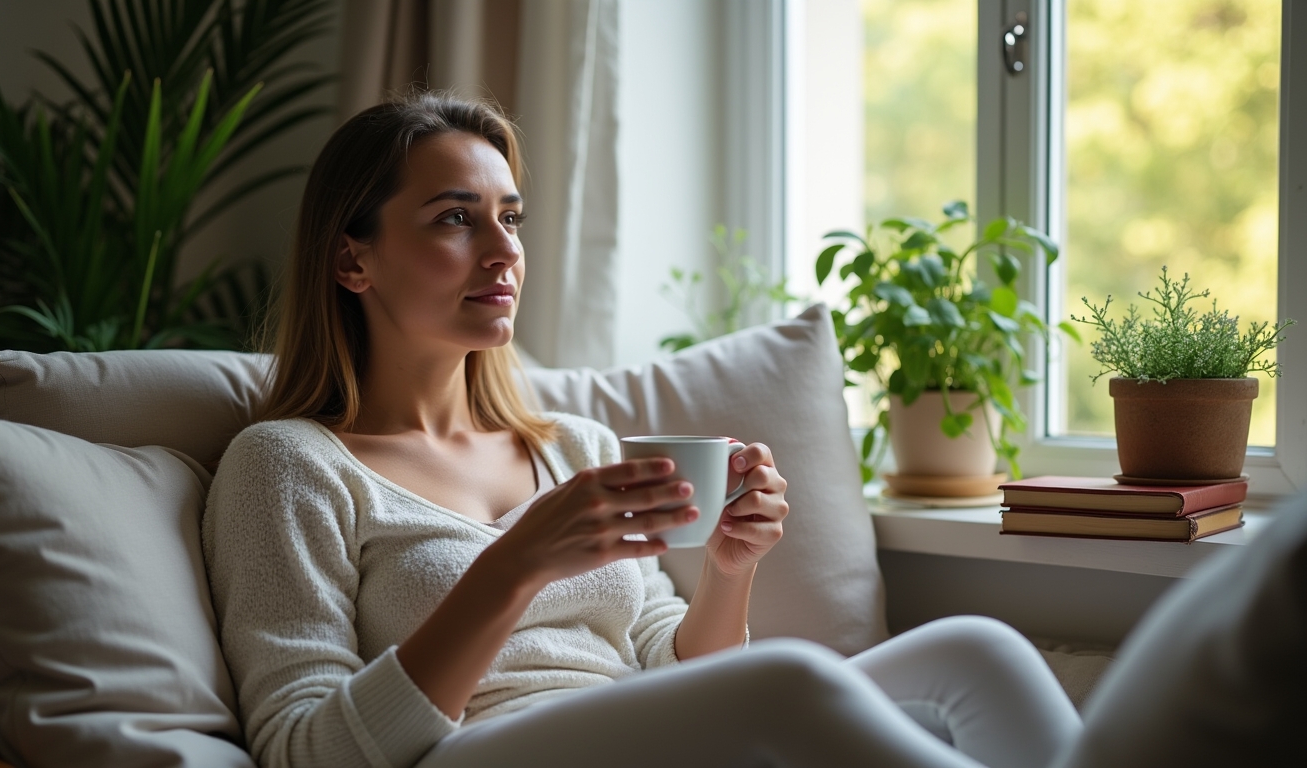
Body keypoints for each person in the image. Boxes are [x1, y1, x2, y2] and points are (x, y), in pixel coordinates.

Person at [202, 91, 1081, 768]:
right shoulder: (288, 464)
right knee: (788, 680)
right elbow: (302, 748)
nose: (504, 250)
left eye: (509, 216)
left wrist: (729, 574)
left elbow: (670, 661)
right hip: (474, 751)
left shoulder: (573, 447)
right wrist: (512, 566)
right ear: (353, 259)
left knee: (978, 648)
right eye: (454, 218)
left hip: (639, 735)